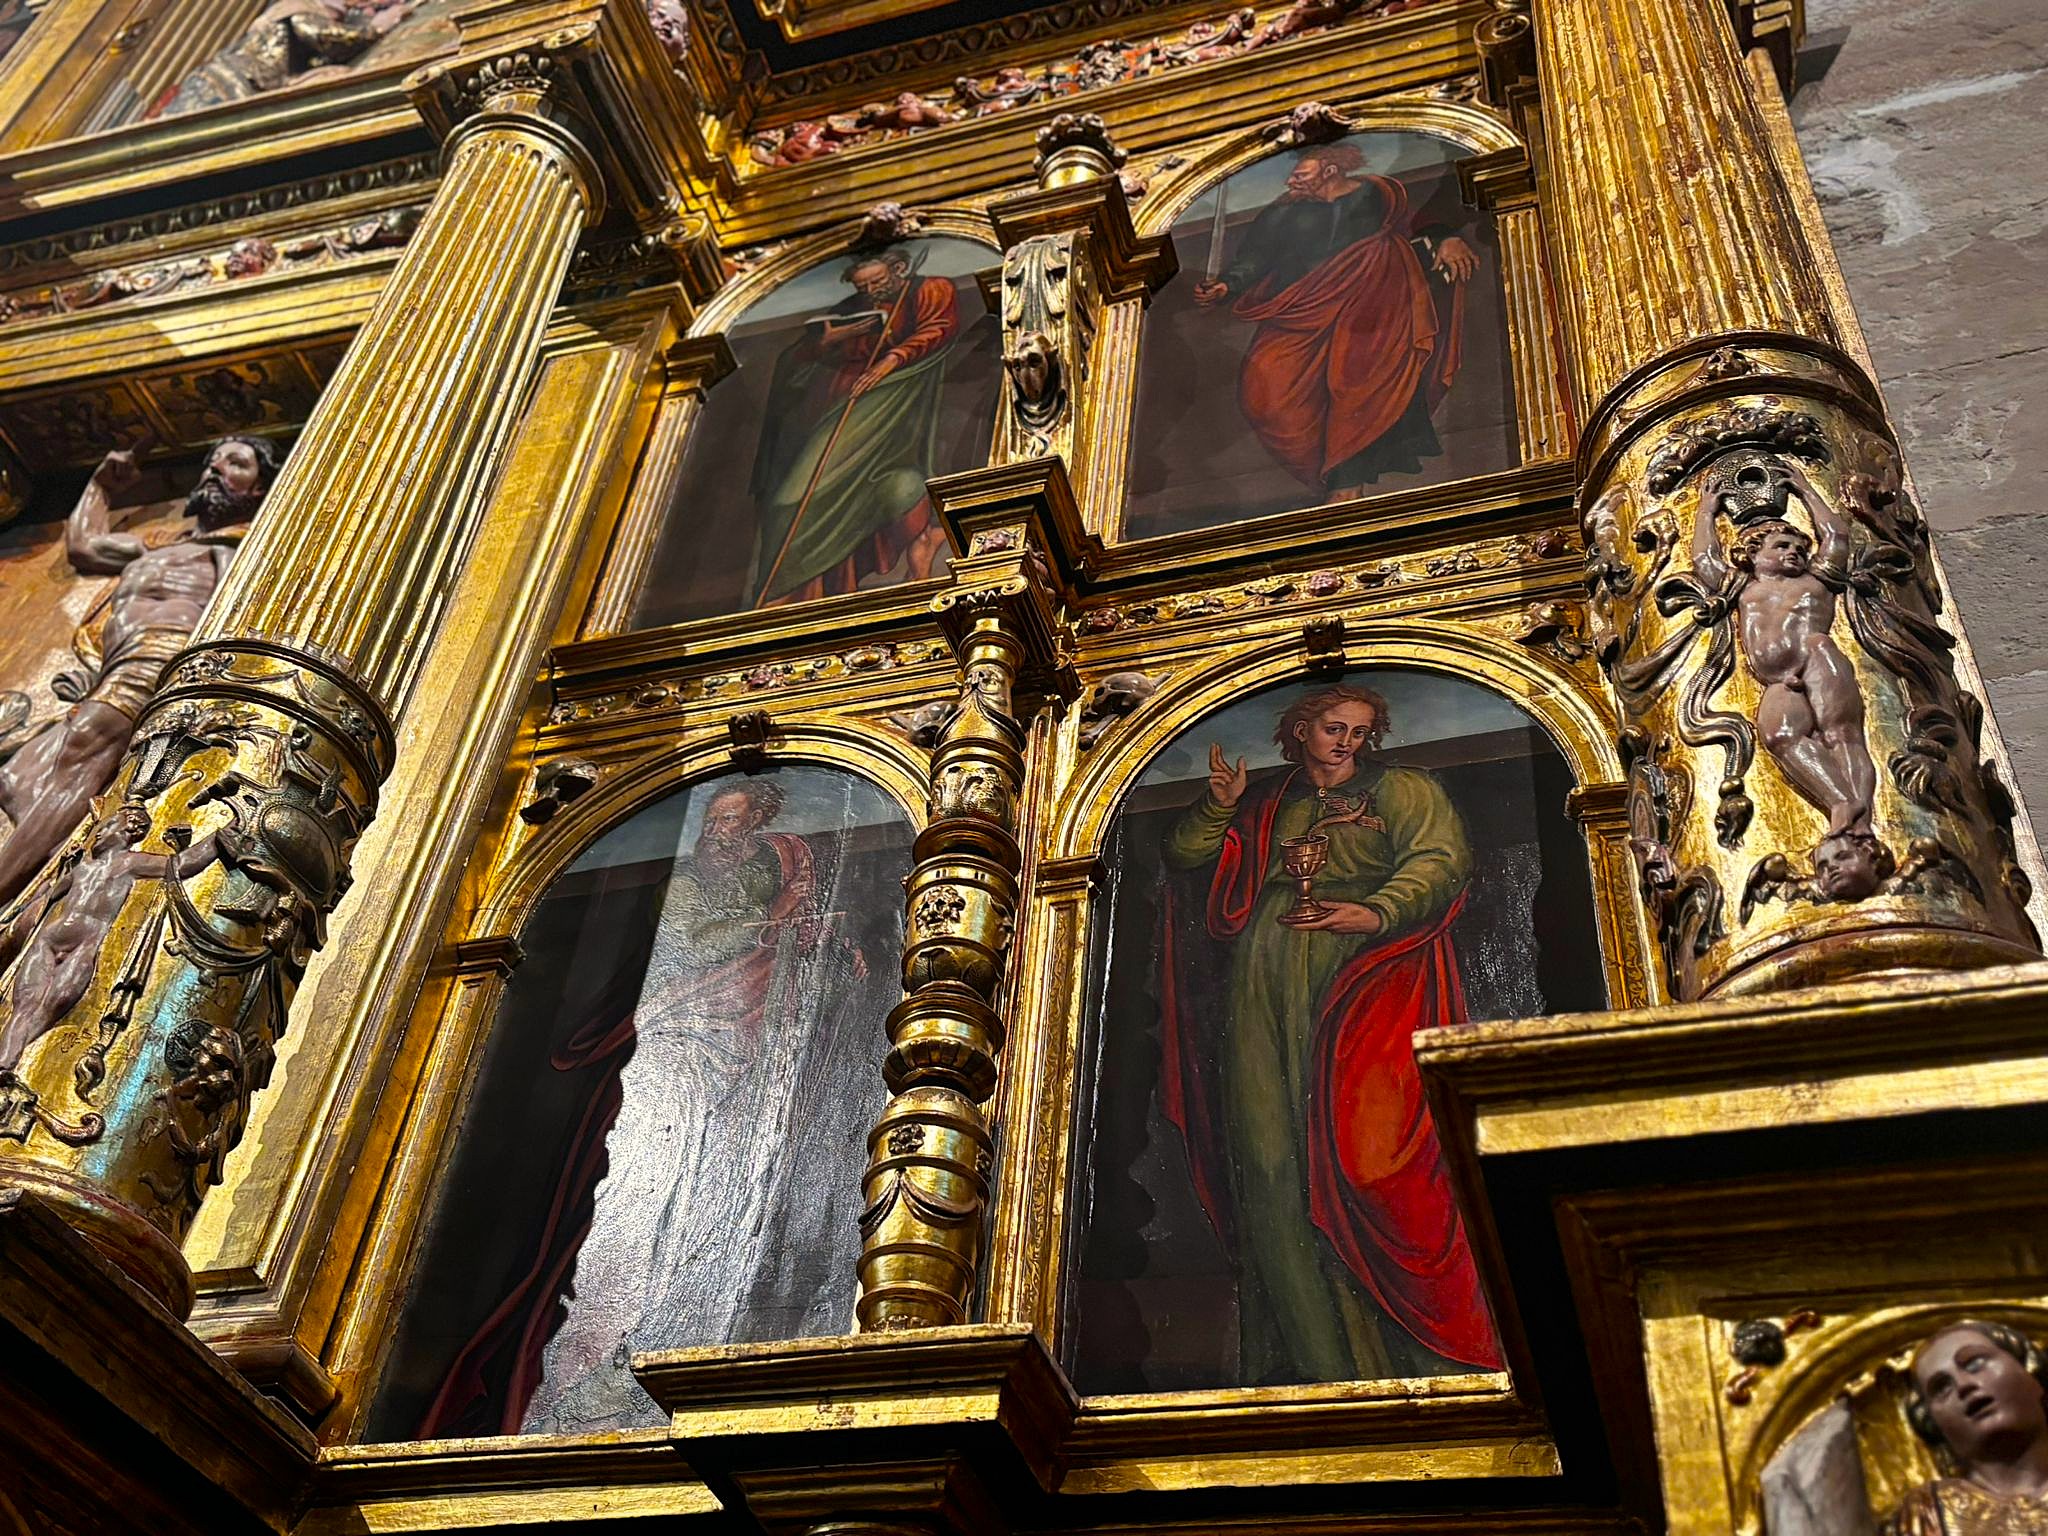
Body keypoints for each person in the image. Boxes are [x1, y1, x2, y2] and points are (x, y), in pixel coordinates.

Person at [1158, 684, 1500, 1384]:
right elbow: (1185, 855)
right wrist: (1219, 804)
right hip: (1265, 978)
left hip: (1371, 972)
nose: (1347, 742)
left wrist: (1376, 912)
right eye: (1334, 728)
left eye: (1360, 731)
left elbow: (1440, 862)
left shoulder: (1404, 789)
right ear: (1300, 731)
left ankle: (1409, 1362)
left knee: (1369, 1162)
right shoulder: (1268, 801)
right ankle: (1306, 1364)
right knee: (1270, 1160)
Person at [0, 437, 278, 911]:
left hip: (162, 659)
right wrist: (101, 486)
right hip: (118, 663)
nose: (214, 469)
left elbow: (241, 606)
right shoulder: (162, 544)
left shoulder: (247, 542)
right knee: (14, 775)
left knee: (82, 745)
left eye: (235, 463)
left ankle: (8, 886)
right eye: (211, 461)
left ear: (259, 489)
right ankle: (54, 868)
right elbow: (85, 546)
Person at [1192, 141, 1478, 500]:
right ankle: (1328, 478)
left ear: (1330, 170)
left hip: (1375, 300)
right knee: (1265, 395)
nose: (1290, 182)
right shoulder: (1281, 214)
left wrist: (1445, 236)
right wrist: (1226, 284)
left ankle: (1346, 483)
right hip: (1302, 306)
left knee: (1359, 386)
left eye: (1300, 175)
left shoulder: (1378, 195)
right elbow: (1255, 257)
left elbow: (1414, 226)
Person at [747, 247, 959, 606]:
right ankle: (802, 593)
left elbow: (939, 328)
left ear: (899, 269)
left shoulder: (930, 289)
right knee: (789, 500)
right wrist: (825, 343)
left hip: (889, 400)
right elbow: (793, 361)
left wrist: (891, 360)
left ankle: (793, 589)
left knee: (815, 495)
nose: (871, 291)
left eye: (878, 282)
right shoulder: (847, 310)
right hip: (837, 404)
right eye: (863, 287)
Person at [0, 802, 219, 1078]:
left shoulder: (130, 863)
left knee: (54, 1004)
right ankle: (4, 1061)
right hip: (48, 940)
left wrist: (218, 837)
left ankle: (10, 1062)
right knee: (24, 1005)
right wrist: (65, 866)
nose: (100, 833)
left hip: (84, 945)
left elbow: (182, 865)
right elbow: (47, 896)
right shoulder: (83, 868)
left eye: (108, 827)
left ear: (130, 829)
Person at [1885, 1320, 2048, 1534]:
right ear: (1934, 1425)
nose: (1963, 1385)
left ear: (2030, 1370)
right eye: (1941, 1388)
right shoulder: (1931, 1511)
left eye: (1974, 1364)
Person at [150, 0, 419, 118]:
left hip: (229, 80)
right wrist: (376, 29)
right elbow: (319, 34)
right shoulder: (297, 7)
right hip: (234, 81)